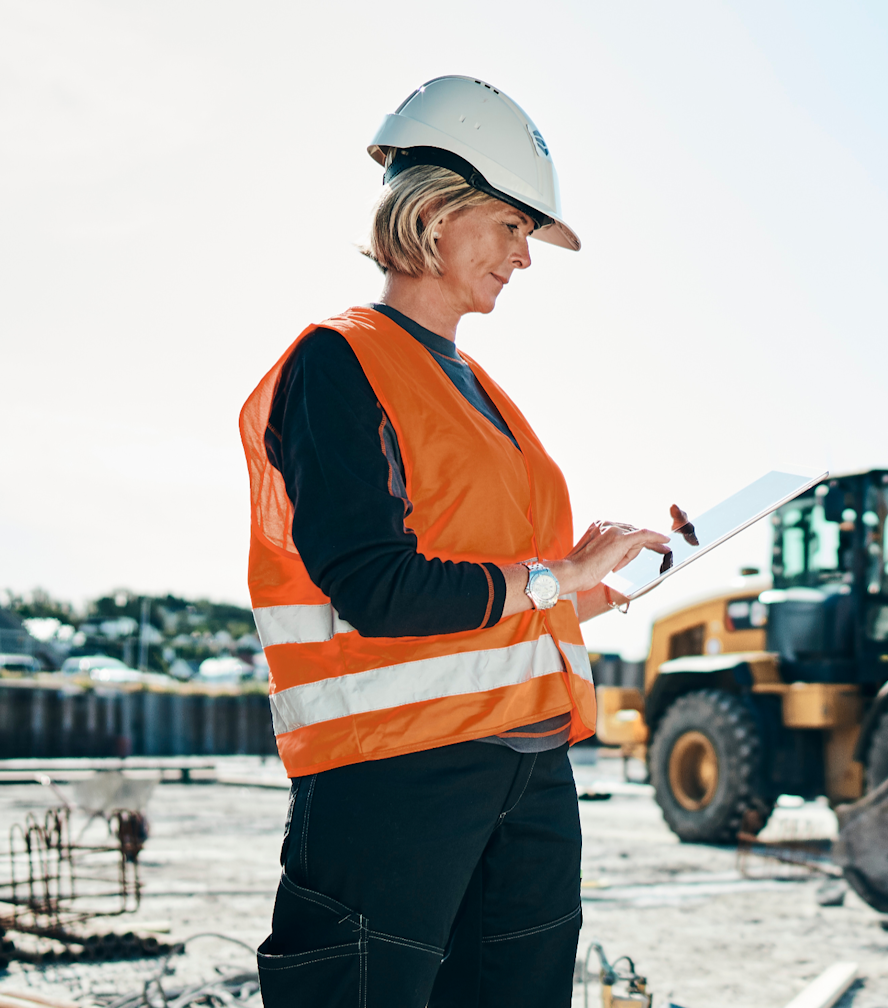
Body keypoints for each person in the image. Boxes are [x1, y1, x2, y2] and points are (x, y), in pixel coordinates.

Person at [241, 76, 670, 1008]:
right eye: (512, 228)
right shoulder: (339, 360)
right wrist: (558, 580)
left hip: (527, 776)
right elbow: (379, 587)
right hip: (397, 780)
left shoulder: (478, 386)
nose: (524, 258)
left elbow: (504, 578)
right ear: (435, 216)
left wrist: (592, 587)